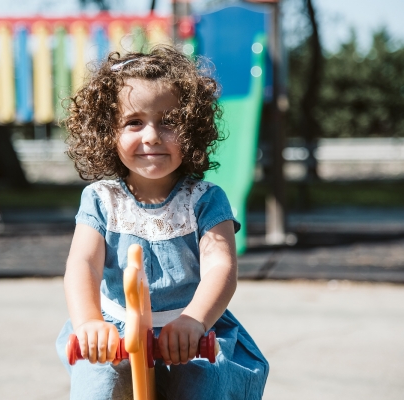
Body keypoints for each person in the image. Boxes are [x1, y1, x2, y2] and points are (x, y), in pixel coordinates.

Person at [56, 45, 269, 400]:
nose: (151, 135)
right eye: (134, 122)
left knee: (205, 384)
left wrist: (195, 320)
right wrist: (89, 322)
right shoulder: (101, 198)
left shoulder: (205, 199)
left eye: (168, 122)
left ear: (192, 130)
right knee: (99, 385)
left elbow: (221, 267)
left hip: (191, 330)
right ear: (108, 132)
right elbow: (83, 264)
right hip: (115, 330)